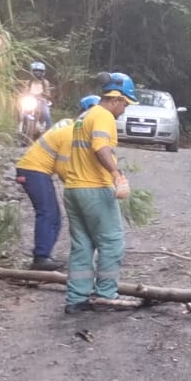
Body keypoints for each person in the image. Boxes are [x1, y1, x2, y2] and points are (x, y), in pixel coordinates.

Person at [61, 76, 136, 315]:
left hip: (74, 189)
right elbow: (100, 148)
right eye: (124, 104)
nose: (124, 111)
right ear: (115, 99)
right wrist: (117, 175)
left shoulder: (85, 117)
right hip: (94, 188)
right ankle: (106, 295)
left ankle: (76, 298)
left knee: (82, 244)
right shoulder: (103, 116)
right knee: (112, 243)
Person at [12, 113, 75, 271]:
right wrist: (75, 185)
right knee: (48, 213)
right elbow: (63, 167)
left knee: (54, 216)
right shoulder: (71, 133)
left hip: (35, 171)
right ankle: (41, 258)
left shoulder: (69, 127)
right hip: (33, 171)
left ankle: (44, 255)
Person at [25, 61, 54, 125]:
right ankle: (20, 128)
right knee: (22, 111)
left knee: (47, 114)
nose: (37, 73)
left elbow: (47, 92)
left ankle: (49, 130)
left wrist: (44, 95)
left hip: (41, 100)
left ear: (43, 72)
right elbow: (25, 91)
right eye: (35, 71)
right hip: (30, 100)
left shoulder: (45, 82)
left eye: (40, 71)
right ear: (32, 72)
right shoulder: (28, 82)